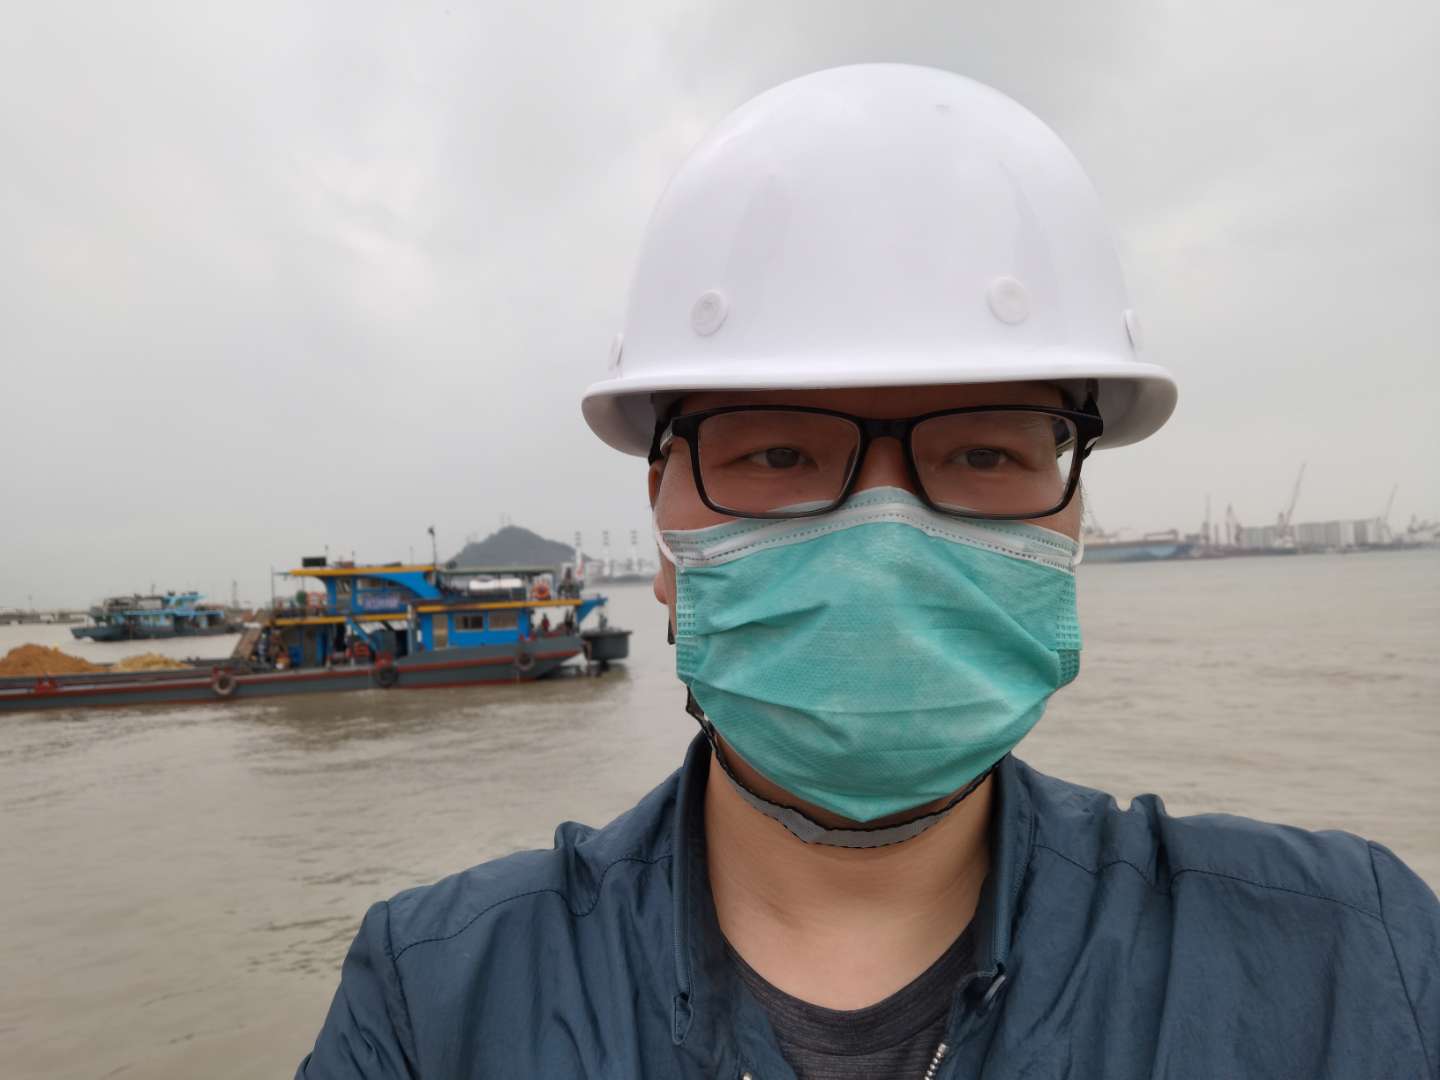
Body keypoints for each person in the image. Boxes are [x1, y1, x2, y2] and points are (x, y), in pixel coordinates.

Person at [298, 65, 1438, 1079]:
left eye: (983, 453)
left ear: (1072, 517)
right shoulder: (434, 1003)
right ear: (662, 526)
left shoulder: (1350, 962)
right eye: (779, 455)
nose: (885, 536)